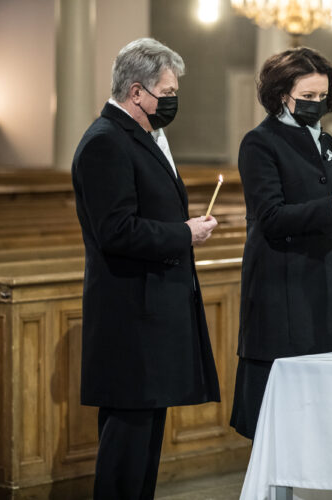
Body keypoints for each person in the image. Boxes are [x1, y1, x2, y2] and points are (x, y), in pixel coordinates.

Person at [72, 38, 221, 499]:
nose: (172, 101)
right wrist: (185, 233)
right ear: (137, 92)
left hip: (149, 315)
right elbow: (115, 231)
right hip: (129, 318)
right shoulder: (105, 142)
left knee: (143, 447)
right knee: (126, 450)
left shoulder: (139, 138)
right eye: (167, 91)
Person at [230, 47, 332, 440]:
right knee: (280, 411)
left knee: (320, 404)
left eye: (322, 97)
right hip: (281, 287)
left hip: (323, 283)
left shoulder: (326, 142)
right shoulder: (259, 143)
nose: (317, 104)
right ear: (283, 94)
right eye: (308, 96)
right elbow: (271, 218)